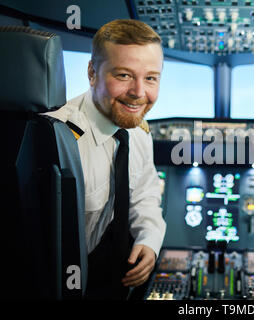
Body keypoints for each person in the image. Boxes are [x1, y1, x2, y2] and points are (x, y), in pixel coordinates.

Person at [46, 19, 166, 299]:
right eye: (123, 75)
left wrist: (150, 240)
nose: (138, 93)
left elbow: (145, 195)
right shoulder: (58, 139)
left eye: (150, 78)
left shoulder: (137, 133)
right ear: (92, 73)